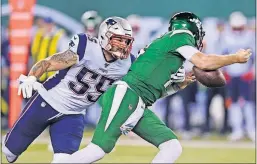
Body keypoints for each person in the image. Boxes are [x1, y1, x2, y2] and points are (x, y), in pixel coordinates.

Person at [58, 12, 252, 163]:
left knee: (172, 146)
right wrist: (235, 58)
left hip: (138, 100)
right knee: (98, 149)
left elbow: (157, 90)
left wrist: (181, 83)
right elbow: (204, 60)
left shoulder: (168, 55)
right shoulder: (180, 36)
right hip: (127, 94)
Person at [2, 17, 135, 163]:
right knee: (9, 153)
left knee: (65, 161)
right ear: (105, 36)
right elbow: (49, 62)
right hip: (47, 101)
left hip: (73, 114)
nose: (123, 45)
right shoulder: (86, 46)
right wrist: (32, 77)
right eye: (118, 40)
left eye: (126, 41)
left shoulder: (127, 64)